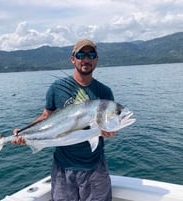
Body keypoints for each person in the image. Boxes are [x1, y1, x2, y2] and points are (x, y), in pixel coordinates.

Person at [12, 39, 116, 201]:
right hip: (62, 168)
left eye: (91, 55)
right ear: (73, 58)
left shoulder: (104, 92)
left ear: (96, 59)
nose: (86, 59)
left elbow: (108, 126)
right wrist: (23, 132)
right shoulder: (57, 88)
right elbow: (46, 116)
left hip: (95, 168)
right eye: (81, 54)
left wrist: (110, 132)